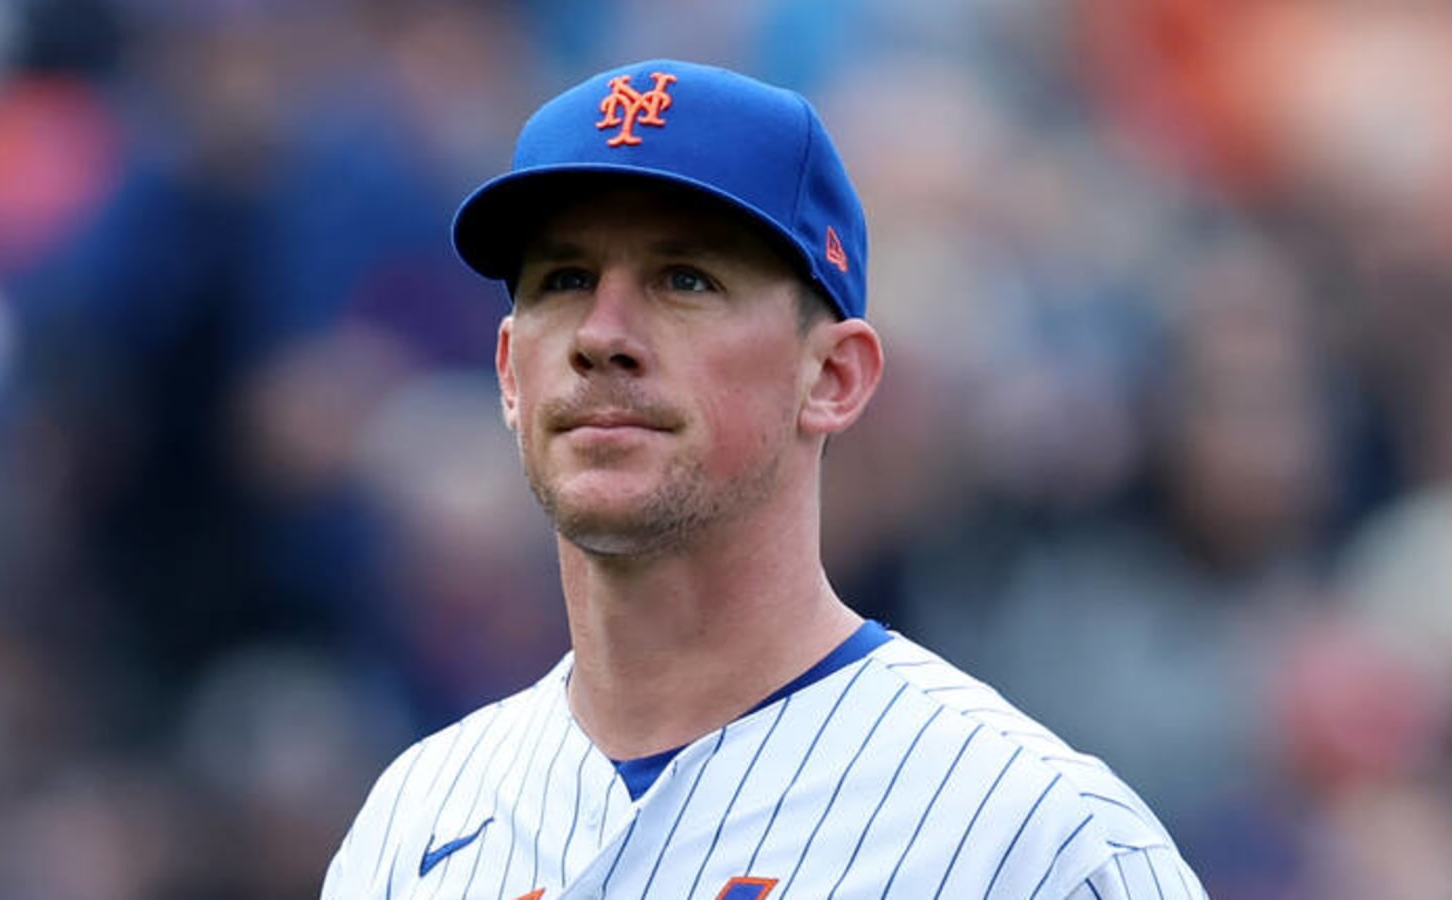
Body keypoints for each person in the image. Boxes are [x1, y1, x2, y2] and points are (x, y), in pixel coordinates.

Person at [321, 59, 1207, 900]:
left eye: (685, 278)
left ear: (832, 378)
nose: (602, 333)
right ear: (512, 373)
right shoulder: (415, 823)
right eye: (565, 278)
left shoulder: (1031, 839)